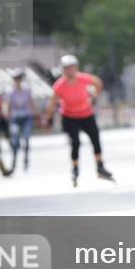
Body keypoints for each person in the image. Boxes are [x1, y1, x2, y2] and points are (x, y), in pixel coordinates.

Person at [43, 54, 114, 187]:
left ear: (76, 67)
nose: (70, 70)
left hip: (86, 114)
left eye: (72, 67)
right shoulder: (60, 85)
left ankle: (100, 167)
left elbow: (98, 82)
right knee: (75, 142)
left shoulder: (83, 78)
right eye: (67, 68)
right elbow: (52, 102)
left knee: (95, 139)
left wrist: (94, 97)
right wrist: (48, 117)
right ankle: (75, 169)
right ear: (63, 69)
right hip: (70, 117)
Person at [4, 69, 37, 172]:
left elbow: (32, 102)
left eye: (19, 79)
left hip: (26, 117)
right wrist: (6, 114)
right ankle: (14, 161)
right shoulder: (10, 91)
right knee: (15, 140)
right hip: (15, 118)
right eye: (15, 79)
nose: (17, 81)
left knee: (26, 139)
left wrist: (35, 113)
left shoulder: (27, 90)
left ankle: (26, 159)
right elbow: (6, 105)